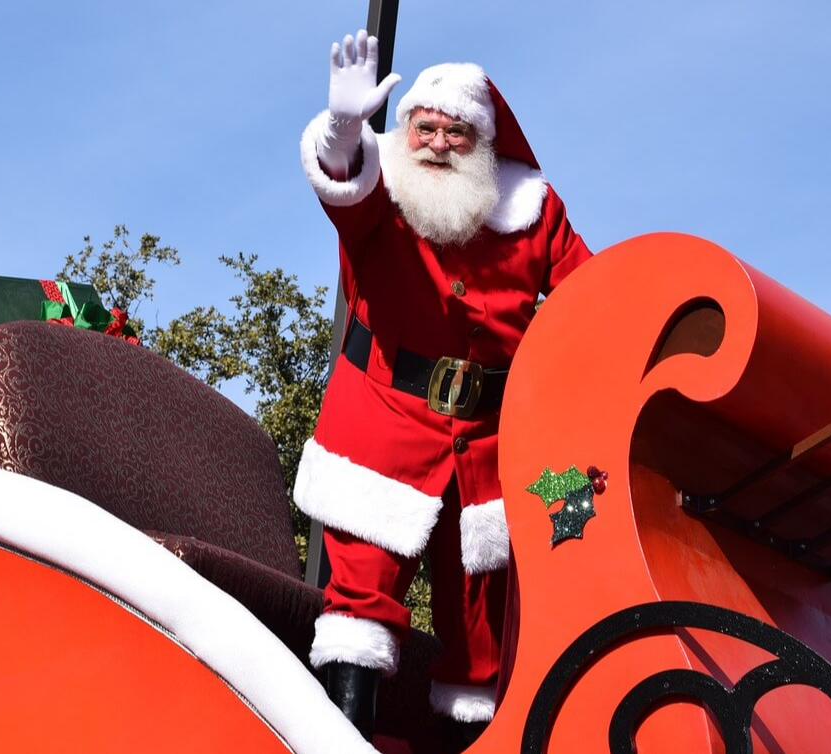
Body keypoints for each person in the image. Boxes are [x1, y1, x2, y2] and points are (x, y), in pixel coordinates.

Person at [294, 29, 594, 740]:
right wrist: (341, 129)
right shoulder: (384, 194)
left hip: (491, 447)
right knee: (358, 602)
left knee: (481, 628)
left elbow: (593, 301)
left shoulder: (533, 214)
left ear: (481, 145)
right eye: (421, 126)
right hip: (380, 423)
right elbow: (345, 183)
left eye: (453, 131)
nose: (433, 141)